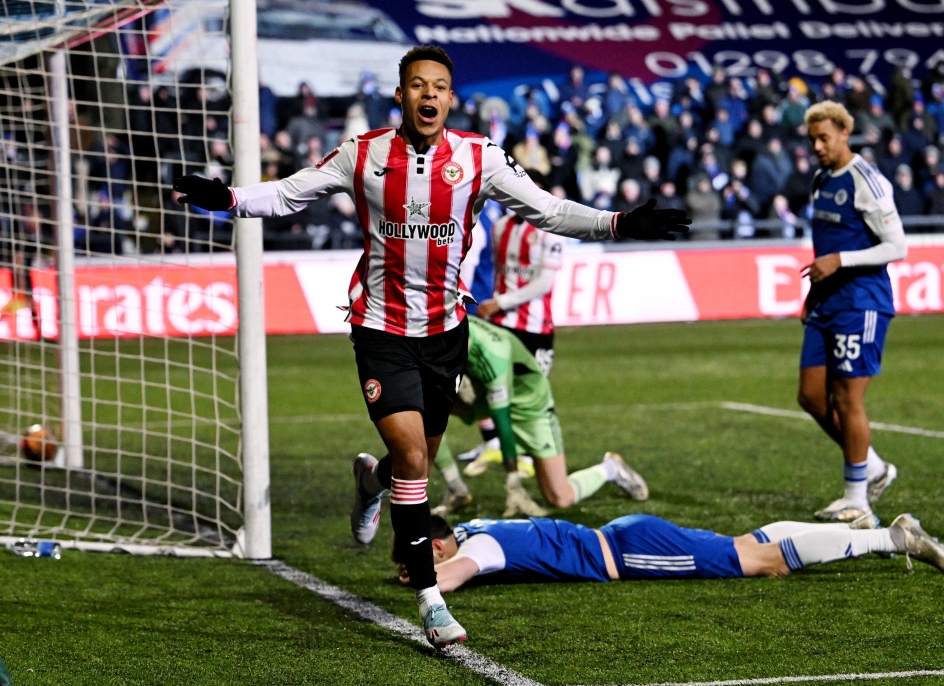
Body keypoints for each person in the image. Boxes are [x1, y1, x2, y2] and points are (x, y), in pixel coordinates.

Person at [172, 45, 689, 649]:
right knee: (416, 462)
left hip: (446, 335)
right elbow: (289, 193)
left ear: (450, 98)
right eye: (417, 85)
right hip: (381, 330)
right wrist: (228, 199)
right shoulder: (362, 155)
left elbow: (547, 211)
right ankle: (430, 600)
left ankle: (372, 482)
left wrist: (619, 224)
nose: (428, 95)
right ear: (400, 95)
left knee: (410, 464)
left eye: (439, 87)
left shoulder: (478, 158)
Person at [797, 101, 906, 523]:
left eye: (825, 138)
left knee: (847, 398)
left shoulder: (869, 181)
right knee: (810, 395)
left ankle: (857, 499)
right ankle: (874, 467)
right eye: (813, 141)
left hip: (862, 301)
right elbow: (825, 243)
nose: (818, 147)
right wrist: (814, 291)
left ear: (845, 132)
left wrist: (839, 261)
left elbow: (897, 247)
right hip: (828, 300)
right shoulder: (822, 179)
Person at [395, 511, 944, 592]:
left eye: (420, 555)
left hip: (632, 553)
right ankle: (861, 529)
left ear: (438, 544)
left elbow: (455, 576)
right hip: (624, 536)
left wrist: (424, 580)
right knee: (750, 545)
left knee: (766, 562)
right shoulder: (473, 523)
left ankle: (890, 540)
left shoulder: (479, 543)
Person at [433, 316, 649, 518]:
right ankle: (456, 488)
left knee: (560, 497)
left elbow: (503, 421)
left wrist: (513, 480)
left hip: (529, 404)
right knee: (423, 409)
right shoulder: (447, 327)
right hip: (485, 393)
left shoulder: (493, 354)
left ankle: (611, 468)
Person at [460, 169, 564, 471]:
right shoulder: (500, 227)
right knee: (488, 385)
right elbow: (500, 274)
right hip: (503, 324)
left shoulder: (551, 230)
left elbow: (544, 283)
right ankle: (496, 444)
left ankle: (534, 454)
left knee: (533, 391)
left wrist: (500, 302)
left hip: (535, 327)